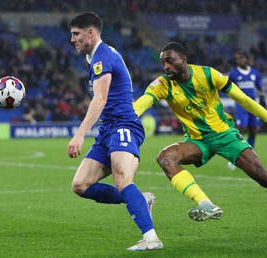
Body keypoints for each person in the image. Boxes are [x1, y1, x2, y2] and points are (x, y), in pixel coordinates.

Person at [133, 42, 267, 234]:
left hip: (225, 135)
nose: (166, 66)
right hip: (197, 141)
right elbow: (141, 105)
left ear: (183, 59)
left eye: (170, 61)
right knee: (165, 158)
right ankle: (205, 203)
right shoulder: (162, 84)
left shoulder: (208, 74)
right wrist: (122, 120)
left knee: (265, 178)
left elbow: (244, 100)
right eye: (163, 62)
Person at [67, 12, 163, 251]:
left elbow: (100, 98)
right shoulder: (95, 57)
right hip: (108, 129)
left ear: (91, 32)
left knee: (122, 178)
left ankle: (151, 238)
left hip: (123, 124)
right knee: (80, 185)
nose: (72, 39)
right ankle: (140, 200)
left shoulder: (102, 57)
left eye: (76, 34)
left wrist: (80, 134)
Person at [227, 51, 264, 170]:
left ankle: (250, 155)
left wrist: (262, 97)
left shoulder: (255, 73)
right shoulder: (233, 74)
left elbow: (259, 88)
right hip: (241, 106)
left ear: (247, 59)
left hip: (253, 105)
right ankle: (234, 157)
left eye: (241, 58)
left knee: (253, 130)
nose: (239, 60)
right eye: (237, 58)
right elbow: (227, 87)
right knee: (241, 131)